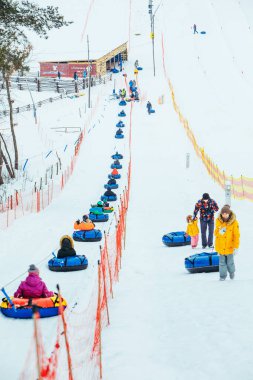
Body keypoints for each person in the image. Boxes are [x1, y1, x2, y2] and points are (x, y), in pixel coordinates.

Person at [214, 205, 240, 281]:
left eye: (226, 213)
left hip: (230, 247)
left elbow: (236, 235)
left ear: (229, 214)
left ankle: (232, 273)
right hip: (221, 247)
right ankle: (222, 276)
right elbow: (215, 233)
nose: (224, 215)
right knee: (222, 263)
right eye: (223, 213)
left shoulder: (234, 222)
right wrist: (220, 231)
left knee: (230, 263)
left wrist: (236, 247)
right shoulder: (218, 221)